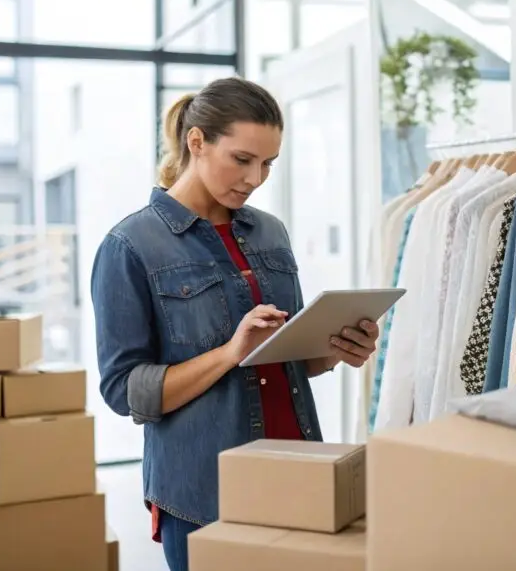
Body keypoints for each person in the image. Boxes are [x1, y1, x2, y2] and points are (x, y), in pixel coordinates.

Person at [90, 76, 379, 571]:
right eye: (242, 160)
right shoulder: (130, 246)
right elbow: (126, 391)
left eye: (267, 164)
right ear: (196, 141)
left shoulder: (269, 231)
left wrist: (336, 349)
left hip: (298, 468)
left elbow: (285, 356)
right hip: (205, 490)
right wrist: (229, 352)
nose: (255, 178)